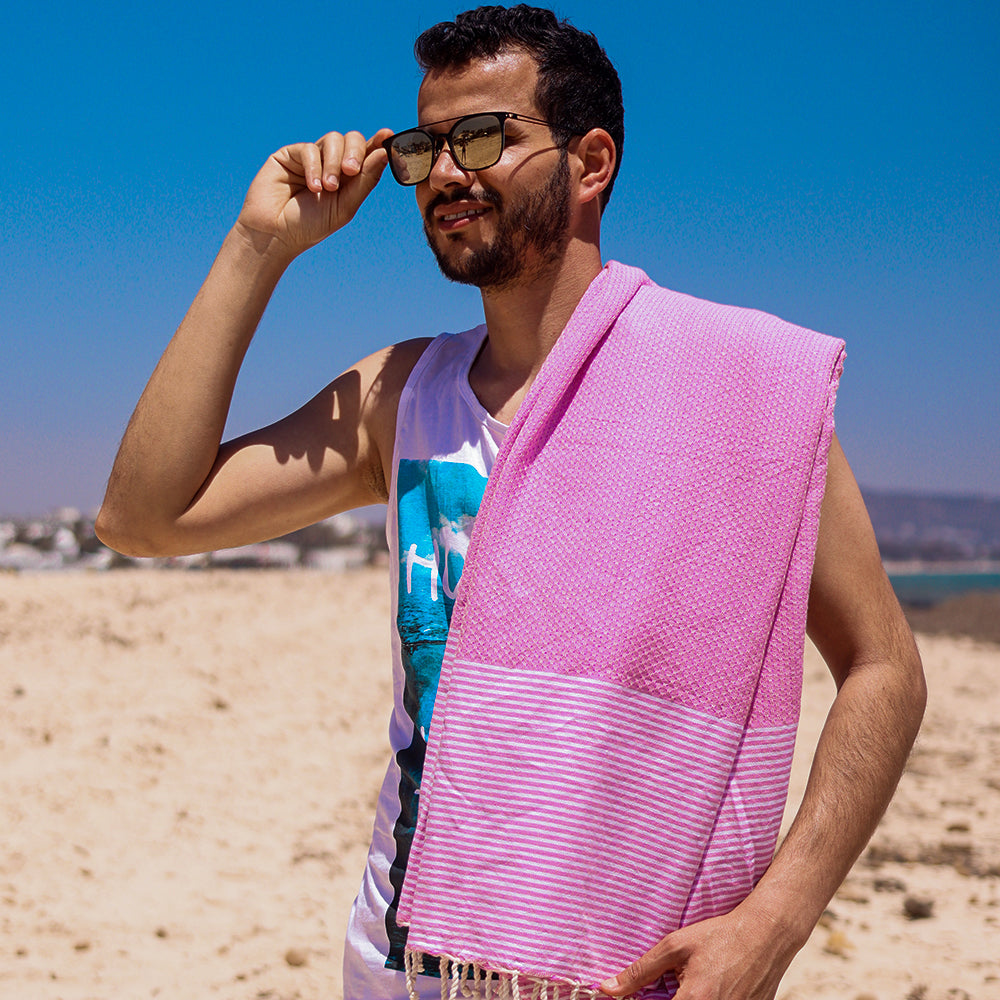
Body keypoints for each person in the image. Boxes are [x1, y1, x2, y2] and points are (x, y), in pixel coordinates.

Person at [96, 6, 926, 999]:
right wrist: (257, 244)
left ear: (590, 163)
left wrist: (774, 924)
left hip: (621, 968)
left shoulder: (740, 392)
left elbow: (883, 666)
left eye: (484, 136)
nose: (446, 172)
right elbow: (143, 518)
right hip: (400, 957)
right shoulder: (402, 398)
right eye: (423, 147)